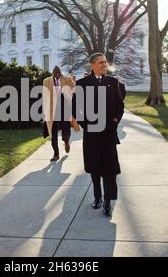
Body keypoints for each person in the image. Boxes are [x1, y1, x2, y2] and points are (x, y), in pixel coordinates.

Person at [72, 53, 124, 216]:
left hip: (108, 133)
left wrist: (115, 121)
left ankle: (108, 201)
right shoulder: (82, 84)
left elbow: (119, 105)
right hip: (92, 134)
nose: (104, 65)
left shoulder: (112, 82)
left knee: (109, 168)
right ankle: (97, 197)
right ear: (92, 64)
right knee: (94, 167)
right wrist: (86, 124)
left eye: (105, 62)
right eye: (101, 62)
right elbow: (75, 108)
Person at [43, 66, 80, 162]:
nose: (57, 74)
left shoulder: (68, 79)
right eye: (55, 72)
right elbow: (45, 96)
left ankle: (66, 141)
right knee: (53, 133)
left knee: (66, 130)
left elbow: (74, 91)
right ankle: (56, 153)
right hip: (53, 111)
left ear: (61, 72)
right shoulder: (46, 81)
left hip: (65, 109)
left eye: (59, 72)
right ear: (52, 73)